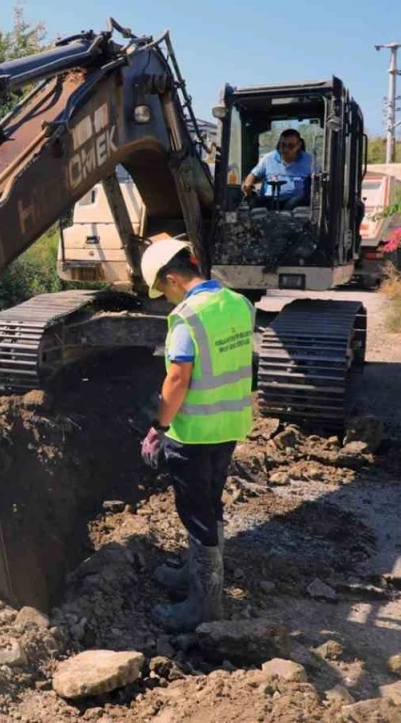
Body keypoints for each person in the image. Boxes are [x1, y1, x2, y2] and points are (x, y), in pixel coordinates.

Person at [139, 238, 255, 631]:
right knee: (211, 503)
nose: (166, 299)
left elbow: (177, 378)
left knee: (195, 512)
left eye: (164, 290)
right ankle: (195, 572)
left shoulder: (187, 318)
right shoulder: (238, 304)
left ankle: (203, 605)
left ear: (173, 278)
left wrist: (159, 426)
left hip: (194, 432)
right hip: (229, 424)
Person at [241, 129, 314, 208]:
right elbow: (253, 175)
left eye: (291, 146)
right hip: (270, 200)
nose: (285, 149)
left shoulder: (310, 161)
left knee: (294, 204)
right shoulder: (268, 158)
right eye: (282, 145)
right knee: (255, 203)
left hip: (295, 203)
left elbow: (319, 180)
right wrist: (248, 185)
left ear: (299, 145)